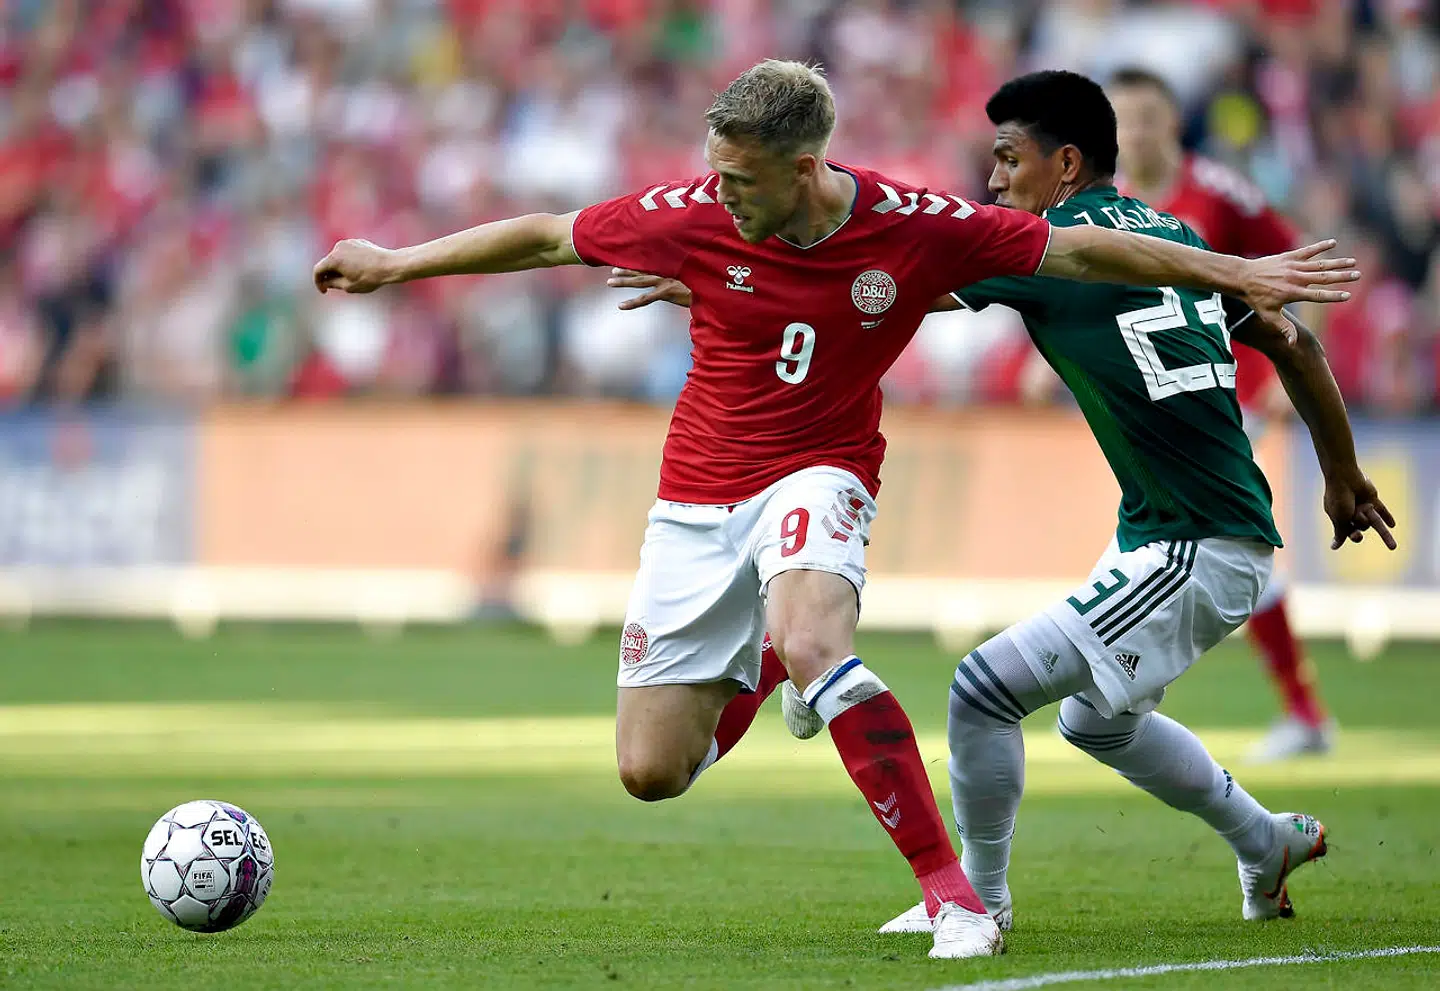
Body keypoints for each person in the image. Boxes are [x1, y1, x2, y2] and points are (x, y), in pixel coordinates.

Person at [313, 60, 1361, 958]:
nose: (720, 195)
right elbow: (547, 237)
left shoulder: (923, 221)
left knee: (972, 684)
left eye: (742, 180)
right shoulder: (689, 215)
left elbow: (1065, 258)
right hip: (698, 495)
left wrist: (1235, 268)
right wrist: (398, 262)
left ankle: (964, 897)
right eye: (716, 174)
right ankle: (1255, 836)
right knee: (651, 771)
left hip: (832, 470)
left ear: (804, 166)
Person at [1109, 66, 1336, 762]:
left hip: (1225, 393)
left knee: (1209, 537)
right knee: (1168, 537)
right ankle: (1134, 682)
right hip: (1150, 407)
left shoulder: (1215, 192)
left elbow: (1293, 264)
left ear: (1173, 121)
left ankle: (1294, 711)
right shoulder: (1107, 206)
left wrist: (1281, 368)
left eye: (1147, 115)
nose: (1136, 130)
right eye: (1123, 118)